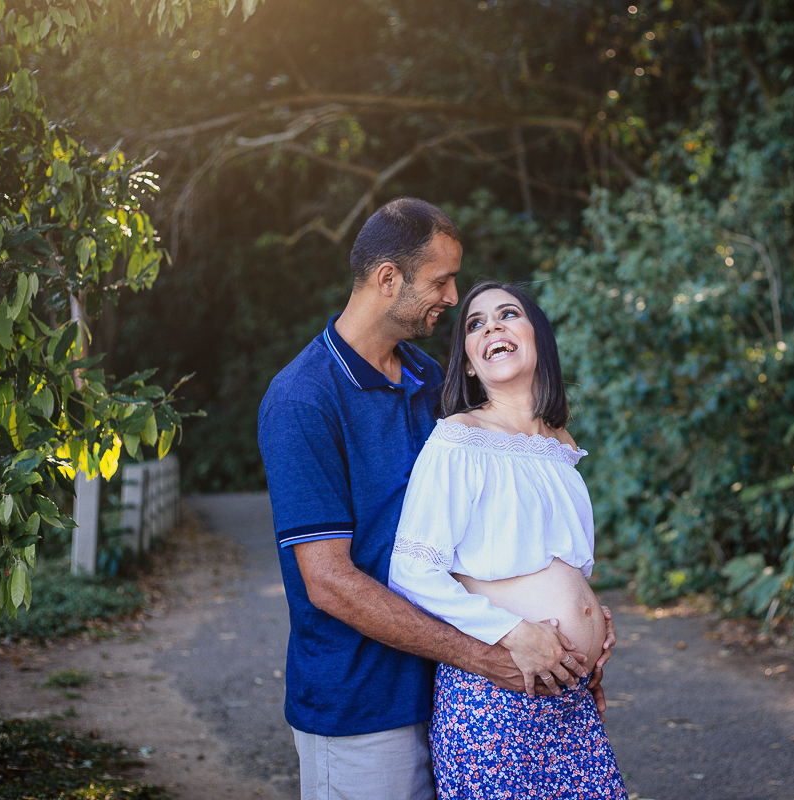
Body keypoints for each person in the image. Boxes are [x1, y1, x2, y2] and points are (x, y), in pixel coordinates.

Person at [257, 199, 612, 800]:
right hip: (367, 703)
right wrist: (486, 651)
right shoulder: (302, 400)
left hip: (460, 688)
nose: (452, 297)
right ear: (387, 279)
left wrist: (576, 627)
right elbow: (329, 583)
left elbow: (486, 534)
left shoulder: (429, 382)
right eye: (441, 280)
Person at [389, 280, 627, 799]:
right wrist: (512, 632)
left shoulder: (561, 447)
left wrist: (591, 619)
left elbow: (552, 564)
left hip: (569, 698)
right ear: (470, 364)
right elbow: (411, 570)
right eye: (476, 324)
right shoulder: (459, 438)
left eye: (508, 314)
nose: (492, 326)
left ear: (538, 338)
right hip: (496, 696)